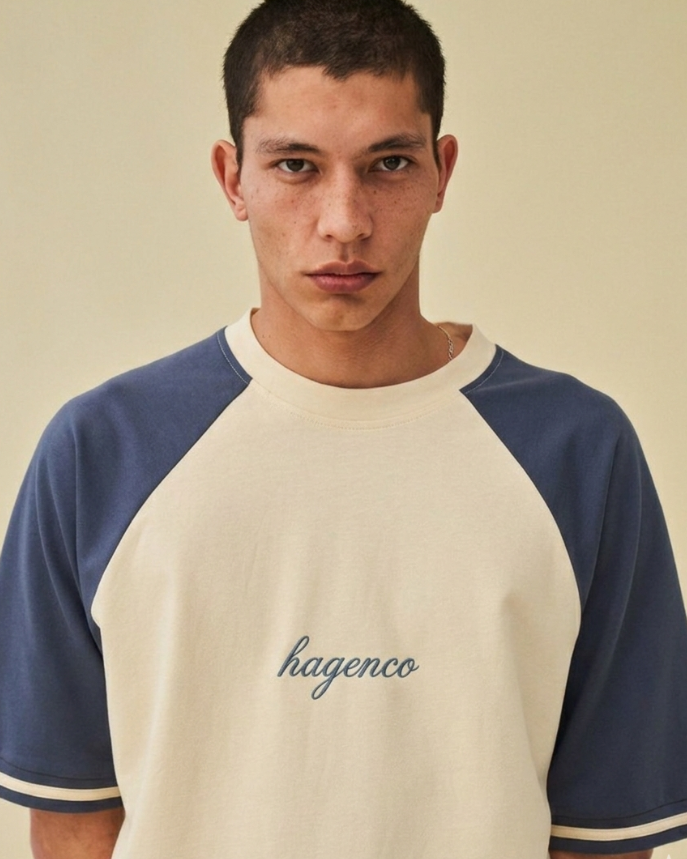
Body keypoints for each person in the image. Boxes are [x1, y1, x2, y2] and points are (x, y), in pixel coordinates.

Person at [0, 0, 685, 856]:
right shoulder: (101, 452)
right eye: (295, 165)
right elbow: (73, 822)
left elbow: (604, 836)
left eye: (387, 163)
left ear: (441, 172)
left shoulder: (579, 454)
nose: (344, 221)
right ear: (231, 178)